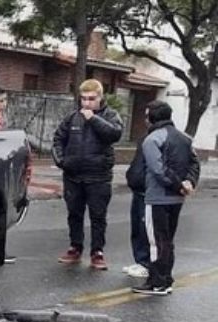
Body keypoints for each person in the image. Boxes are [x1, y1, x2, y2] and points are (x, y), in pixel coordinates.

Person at [52, 79, 124, 270]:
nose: (86, 103)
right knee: (74, 213)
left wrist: (93, 118)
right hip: (73, 175)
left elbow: (114, 134)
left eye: (91, 99)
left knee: (98, 216)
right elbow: (58, 138)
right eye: (83, 99)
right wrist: (61, 161)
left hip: (98, 176)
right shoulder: (72, 118)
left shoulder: (111, 115)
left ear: (100, 98)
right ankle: (75, 247)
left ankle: (97, 252)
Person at [132, 101, 200, 295]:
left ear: (152, 118)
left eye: (146, 116)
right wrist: (188, 183)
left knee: (156, 241)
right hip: (177, 199)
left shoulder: (152, 139)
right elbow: (194, 164)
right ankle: (166, 279)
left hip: (157, 198)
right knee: (167, 239)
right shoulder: (185, 139)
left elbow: (158, 170)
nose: (145, 120)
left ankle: (157, 281)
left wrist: (178, 185)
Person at [123, 122, 152, 279]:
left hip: (149, 191)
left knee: (145, 229)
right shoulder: (145, 138)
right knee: (137, 228)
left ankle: (146, 263)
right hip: (138, 188)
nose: (146, 120)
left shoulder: (159, 139)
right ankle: (140, 260)